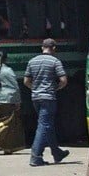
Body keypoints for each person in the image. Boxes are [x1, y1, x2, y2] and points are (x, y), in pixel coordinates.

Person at [24, 38, 70, 167]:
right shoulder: (55, 61)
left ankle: (56, 152)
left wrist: (35, 89)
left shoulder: (32, 61)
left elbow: (26, 81)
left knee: (47, 125)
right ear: (54, 48)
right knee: (44, 125)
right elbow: (63, 80)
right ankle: (36, 156)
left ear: (42, 48)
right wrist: (56, 88)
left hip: (35, 98)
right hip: (48, 97)